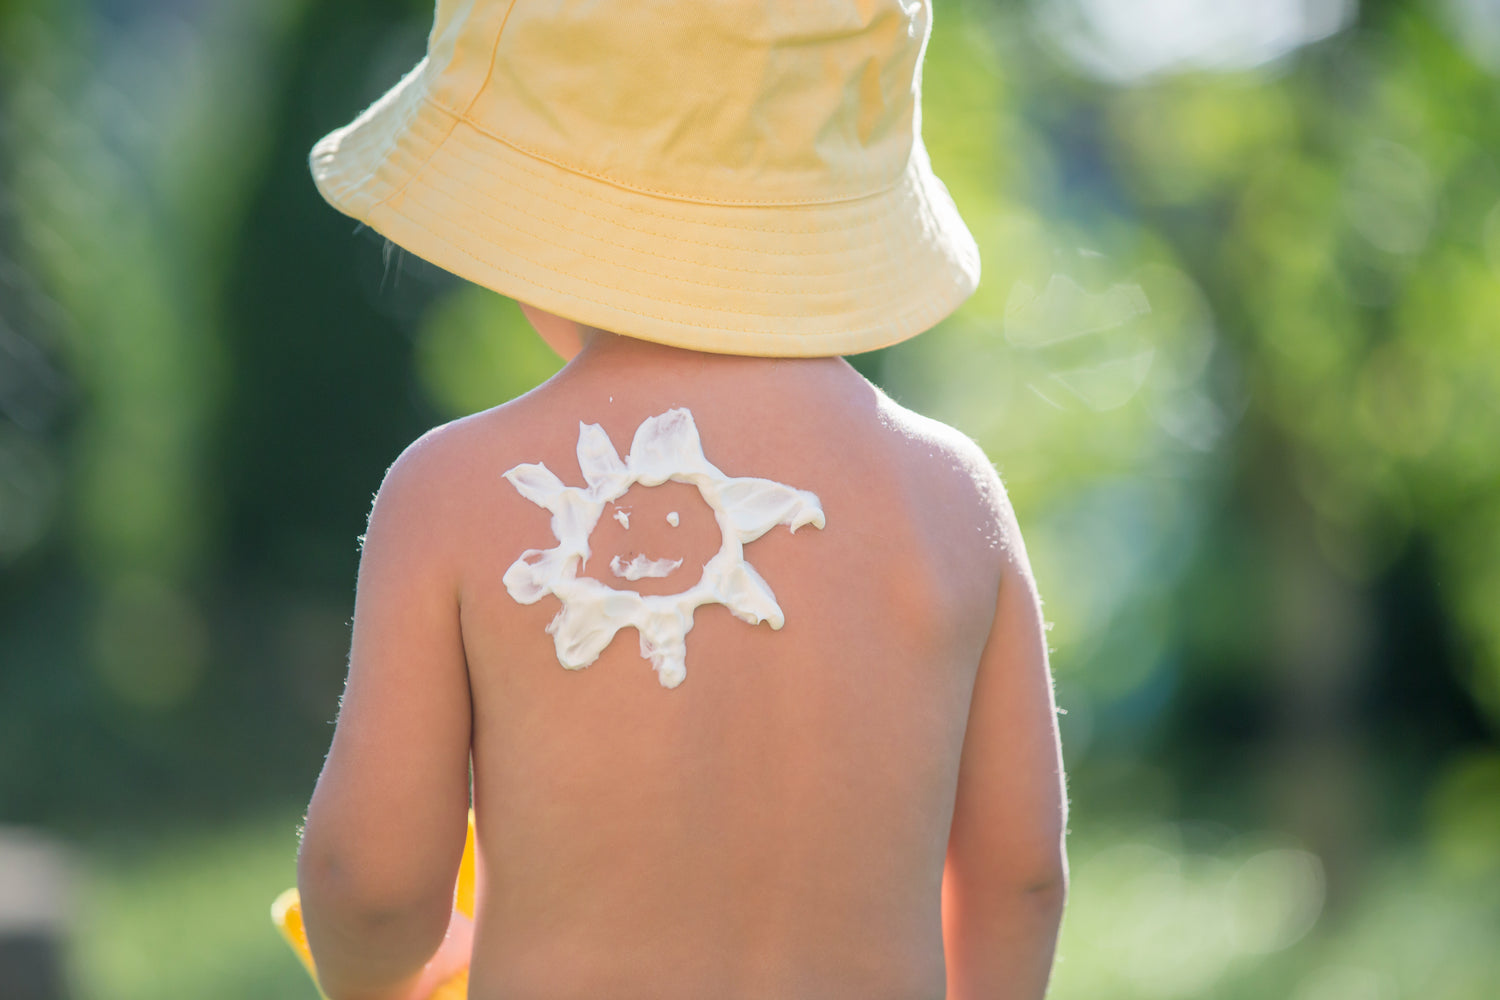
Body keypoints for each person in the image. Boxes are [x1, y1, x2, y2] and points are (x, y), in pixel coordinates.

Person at [292, 2, 1068, 999]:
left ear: (537, 201)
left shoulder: (451, 496)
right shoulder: (949, 496)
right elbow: (1023, 876)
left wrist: (386, 986)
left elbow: (370, 886)